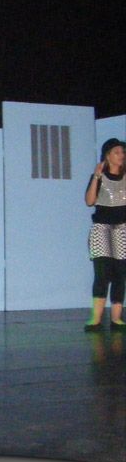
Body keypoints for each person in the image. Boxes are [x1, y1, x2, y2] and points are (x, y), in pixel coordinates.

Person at [84, 137, 126, 332]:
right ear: (107, 156)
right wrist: (96, 176)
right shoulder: (99, 176)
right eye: (117, 152)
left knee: (120, 274)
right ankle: (96, 318)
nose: (121, 155)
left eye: (123, 152)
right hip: (101, 229)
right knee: (102, 274)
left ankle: (116, 318)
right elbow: (89, 201)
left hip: (122, 230)